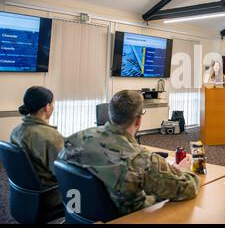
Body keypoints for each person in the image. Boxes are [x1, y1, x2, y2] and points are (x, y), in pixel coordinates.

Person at [58, 90, 200, 216]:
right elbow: (188, 188)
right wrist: (183, 171)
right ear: (138, 120)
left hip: (81, 213)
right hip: (130, 218)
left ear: (110, 114)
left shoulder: (76, 139)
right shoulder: (143, 160)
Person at [9, 86, 64, 208]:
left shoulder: (16, 131)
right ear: (47, 106)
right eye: (52, 103)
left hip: (25, 192)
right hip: (51, 194)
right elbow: (62, 174)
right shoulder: (51, 137)